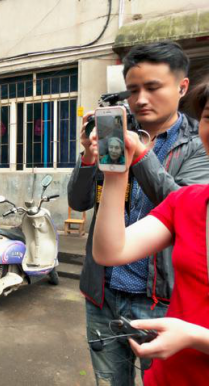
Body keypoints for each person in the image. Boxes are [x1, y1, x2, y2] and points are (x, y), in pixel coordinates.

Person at [68, 41, 209, 386]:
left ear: (182, 86)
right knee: (109, 381)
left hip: (158, 301)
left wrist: (142, 155)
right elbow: (79, 200)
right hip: (104, 292)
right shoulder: (115, 135)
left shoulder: (197, 143)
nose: (141, 98)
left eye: (153, 87)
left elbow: (184, 207)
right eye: (133, 90)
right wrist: (89, 158)